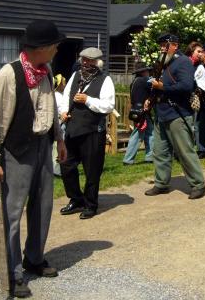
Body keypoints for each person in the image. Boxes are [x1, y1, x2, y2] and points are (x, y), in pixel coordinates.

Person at [0, 19, 67, 298]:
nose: (57, 49)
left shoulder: (46, 69)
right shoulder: (9, 74)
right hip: (17, 149)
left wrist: (59, 138)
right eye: (54, 45)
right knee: (13, 212)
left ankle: (34, 257)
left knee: (43, 207)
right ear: (41, 48)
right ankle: (13, 270)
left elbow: (50, 107)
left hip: (43, 145)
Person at [144, 33, 205, 199]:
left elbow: (186, 87)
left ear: (175, 46)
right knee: (160, 152)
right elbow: (156, 86)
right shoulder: (161, 64)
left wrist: (162, 87)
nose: (162, 47)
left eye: (165, 44)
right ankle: (161, 183)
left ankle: (198, 184)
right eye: (161, 45)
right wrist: (150, 99)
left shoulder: (183, 62)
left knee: (184, 152)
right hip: (161, 112)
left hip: (178, 113)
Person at [59, 47, 115, 219]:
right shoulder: (75, 77)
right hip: (73, 128)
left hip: (92, 131)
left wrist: (88, 100)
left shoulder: (105, 80)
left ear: (97, 63)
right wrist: (63, 111)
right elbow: (65, 97)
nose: (85, 63)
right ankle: (76, 199)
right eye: (83, 60)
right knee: (66, 166)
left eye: (89, 60)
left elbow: (108, 105)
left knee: (92, 171)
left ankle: (91, 204)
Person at [123, 63, 154, 165]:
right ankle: (128, 160)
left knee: (150, 133)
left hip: (138, 110)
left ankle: (150, 157)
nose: (148, 72)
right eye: (147, 71)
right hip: (142, 111)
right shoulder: (144, 80)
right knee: (137, 135)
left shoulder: (135, 81)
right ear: (143, 72)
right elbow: (155, 83)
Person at [53, 74, 67, 176]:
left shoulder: (60, 95)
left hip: (61, 122)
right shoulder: (57, 96)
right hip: (59, 123)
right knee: (58, 146)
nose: (64, 84)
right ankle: (57, 170)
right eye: (63, 82)